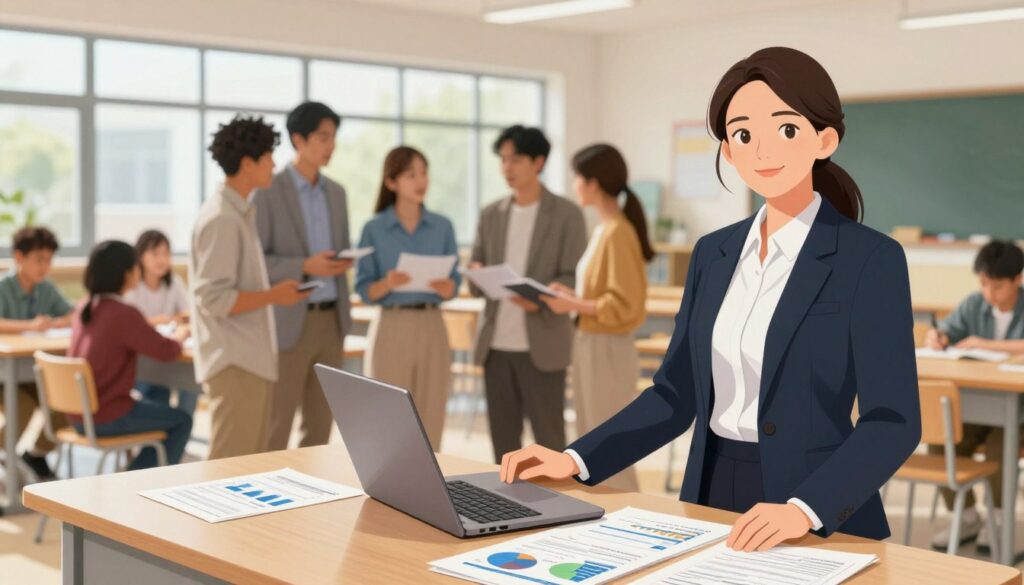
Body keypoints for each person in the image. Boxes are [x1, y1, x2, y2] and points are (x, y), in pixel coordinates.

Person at [499, 47, 921, 552]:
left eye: (785, 130)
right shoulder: (712, 253)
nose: (762, 151)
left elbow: (892, 421)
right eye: (743, 134)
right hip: (711, 489)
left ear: (824, 139)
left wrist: (805, 509)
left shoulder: (869, 258)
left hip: (818, 502)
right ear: (727, 148)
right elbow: (676, 394)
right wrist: (576, 460)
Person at [190, 115, 312, 460]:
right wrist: (275, 296)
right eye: (268, 157)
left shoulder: (239, 212)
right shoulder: (222, 219)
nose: (275, 164)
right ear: (247, 164)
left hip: (249, 361)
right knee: (226, 473)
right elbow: (213, 299)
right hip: (235, 363)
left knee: (247, 468)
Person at [537, 144, 655, 491]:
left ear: (592, 183)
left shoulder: (618, 232)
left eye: (577, 177)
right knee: (591, 442)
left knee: (608, 445)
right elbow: (603, 297)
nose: (573, 185)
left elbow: (625, 305)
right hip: (592, 343)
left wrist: (573, 306)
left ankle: (627, 514)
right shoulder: (604, 229)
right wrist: (574, 298)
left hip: (608, 349)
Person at [468, 125, 587, 463]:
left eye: (515, 159)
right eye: (503, 160)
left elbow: (572, 276)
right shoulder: (491, 214)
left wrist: (539, 299)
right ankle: (506, 508)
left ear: (538, 162)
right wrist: (476, 273)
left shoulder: (566, 214)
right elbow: (475, 271)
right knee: (502, 444)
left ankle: (559, 510)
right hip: (496, 347)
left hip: (543, 344)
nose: (507, 167)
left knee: (550, 441)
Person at [256, 102, 353, 451]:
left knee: (321, 426)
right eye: (322, 137)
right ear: (298, 139)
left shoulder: (337, 194)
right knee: (277, 423)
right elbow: (257, 262)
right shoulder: (268, 191)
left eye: (333, 138)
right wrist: (304, 266)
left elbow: (340, 248)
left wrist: (343, 262)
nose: (331, 146)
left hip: (331, 320)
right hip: (288, 321)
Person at [355, 146, 460, 451]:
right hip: (391, 325)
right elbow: (363, 289)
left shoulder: (443, 226)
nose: (420, 181)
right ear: (391, 182)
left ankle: (429, 489)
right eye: (411, 174)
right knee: (389, 414)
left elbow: (454, 281)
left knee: (432, 410)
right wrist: (386, 283)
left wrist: (448, 288)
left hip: (432, 325)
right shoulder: (373, 229)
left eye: (424, 173)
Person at [924, 239, 1024, 551]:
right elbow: (944, 334)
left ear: (1017, 279)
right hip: (975, 406)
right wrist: (935, 337)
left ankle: (997, 519)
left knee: (999, 446)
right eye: (984, 284)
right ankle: (966, 517)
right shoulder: (973, 304)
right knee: (943, 441)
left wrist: (984, 344)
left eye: (996, 287)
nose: (989, 293)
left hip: (1017, 413)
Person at [67, 240, 192, 470]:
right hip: (106, 414)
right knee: (182, 420)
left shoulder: (86, 306)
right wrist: (181, 335)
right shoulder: (122, 314)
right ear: (127, 274)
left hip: (79, 413)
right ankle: (135, 478)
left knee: (158, 390)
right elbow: (166, 351)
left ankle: (138, 471)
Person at [0, 226, 73, 479]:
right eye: (39, 260)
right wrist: (29, 326)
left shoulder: (46, 289)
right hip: (4, 374)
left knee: (69, 399)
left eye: (49, 260)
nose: (45, 266)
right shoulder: (4, 286)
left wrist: (63, 321)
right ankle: (3, 456)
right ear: (19, 258)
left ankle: (36, 454)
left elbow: (71, 313)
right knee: (24, 405)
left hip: (34, 372)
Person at [124, 229, 196, 417]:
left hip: (169, 351)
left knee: (191, 384)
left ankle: (181, 432)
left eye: (166, 254)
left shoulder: (174, 283)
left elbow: (189, 314)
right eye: (155, 253)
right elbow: (128, 323)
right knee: (157, 391)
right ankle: (166, 432)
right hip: (142, 359)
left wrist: (176, 319)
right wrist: (164, 319)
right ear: (140, 256)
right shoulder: (132, 284)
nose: (161, 260)